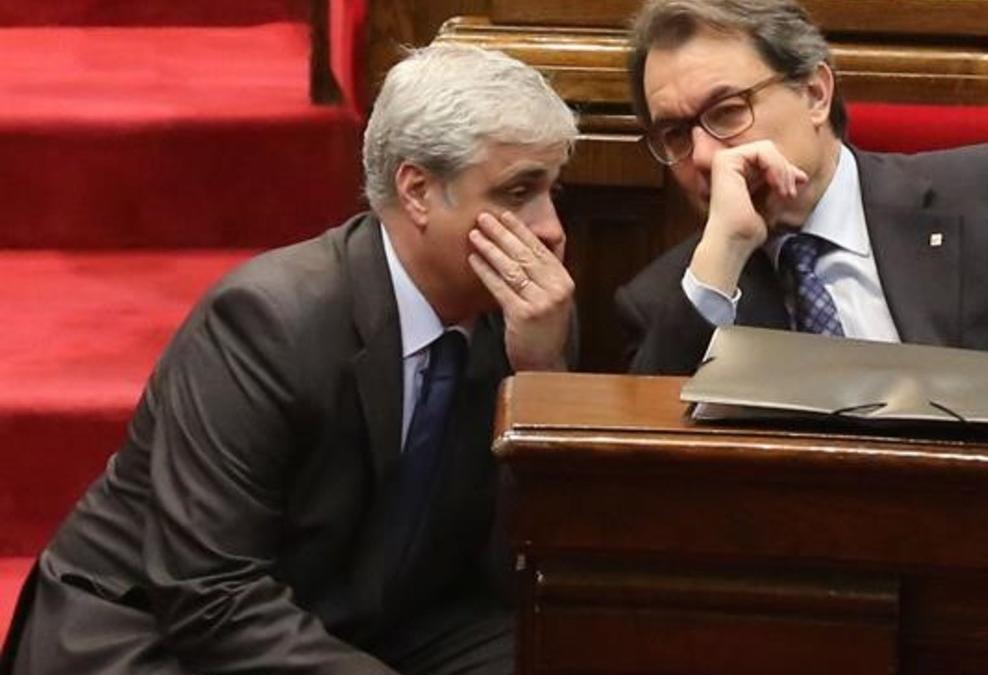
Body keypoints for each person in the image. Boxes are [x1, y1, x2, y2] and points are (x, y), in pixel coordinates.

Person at [1, 44, 578, 674]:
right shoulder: (268, 321)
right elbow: (209, 593)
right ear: (417, 191)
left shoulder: (527, 325)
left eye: (550, 191)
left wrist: (539, 381)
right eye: (519, 191)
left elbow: (519, 572)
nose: (548, 227)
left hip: (370, 620)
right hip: (150, 631)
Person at [614, 0, 988, 403]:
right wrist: (724, 257)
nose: (707, 157)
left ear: (815, 93)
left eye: (726, 112)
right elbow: (644, 485)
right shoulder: (671, 301)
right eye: (675, 134)